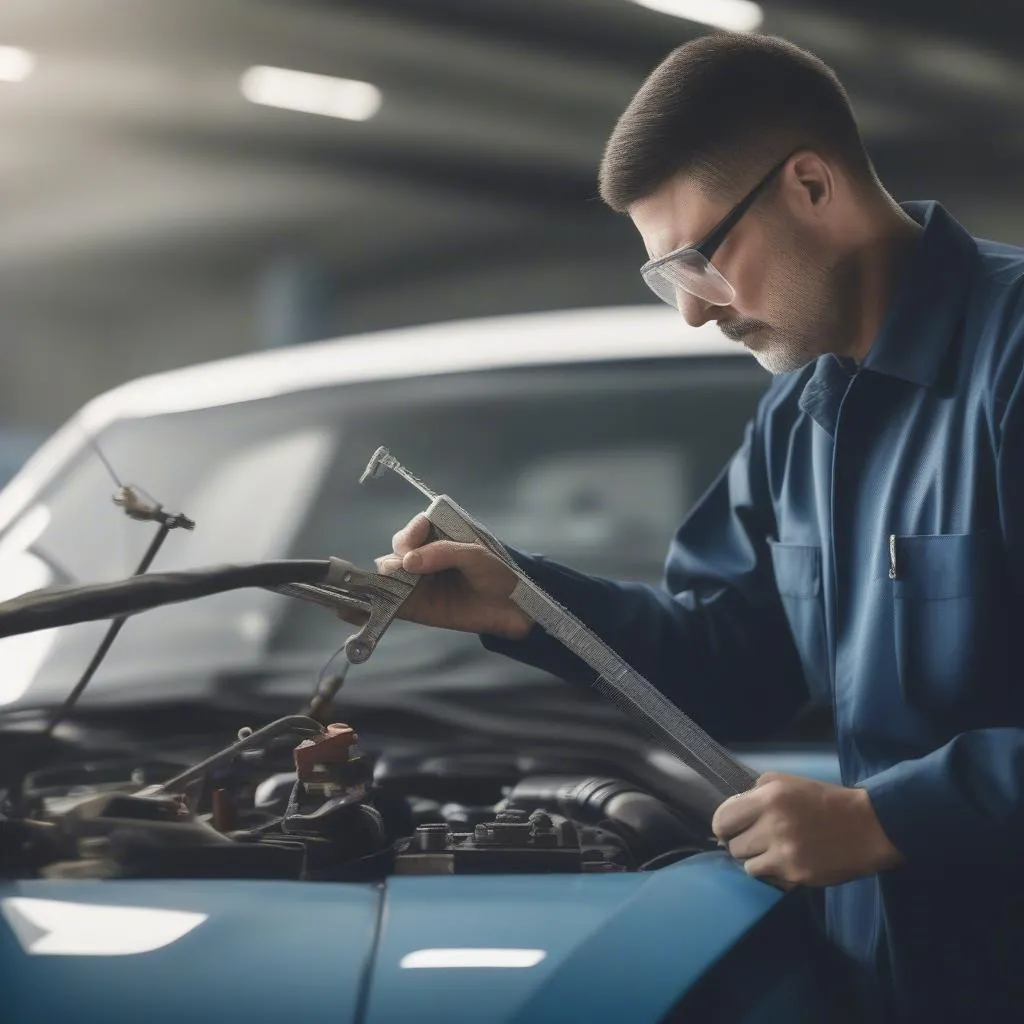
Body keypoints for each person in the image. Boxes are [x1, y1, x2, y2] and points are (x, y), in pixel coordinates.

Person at [346, 33, 1024, 1023]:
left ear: (808, 185)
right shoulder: (797, 422)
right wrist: (526, 603)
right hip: (896, 977)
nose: (694, 315)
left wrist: (891, 814)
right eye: (667, 277)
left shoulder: (1010, 364)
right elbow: (731, 654)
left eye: (701, 258)